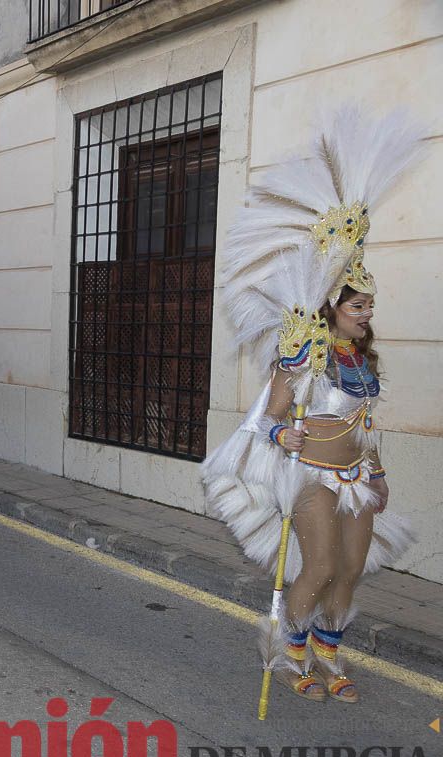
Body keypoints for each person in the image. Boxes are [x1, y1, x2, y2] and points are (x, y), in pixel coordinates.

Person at [203, 108, 421, 705]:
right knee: (320, 566)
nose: (368, 311)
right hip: (311, 477)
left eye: (371, 304)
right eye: (359, 304)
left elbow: (365, 426)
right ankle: (289, 651)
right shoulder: (306, 353)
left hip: (356, 475)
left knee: (351, 571)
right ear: (333, 306)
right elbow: (267, 417)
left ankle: (328, 651)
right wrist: (281, 439)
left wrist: (375, 473)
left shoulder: (363, 361)